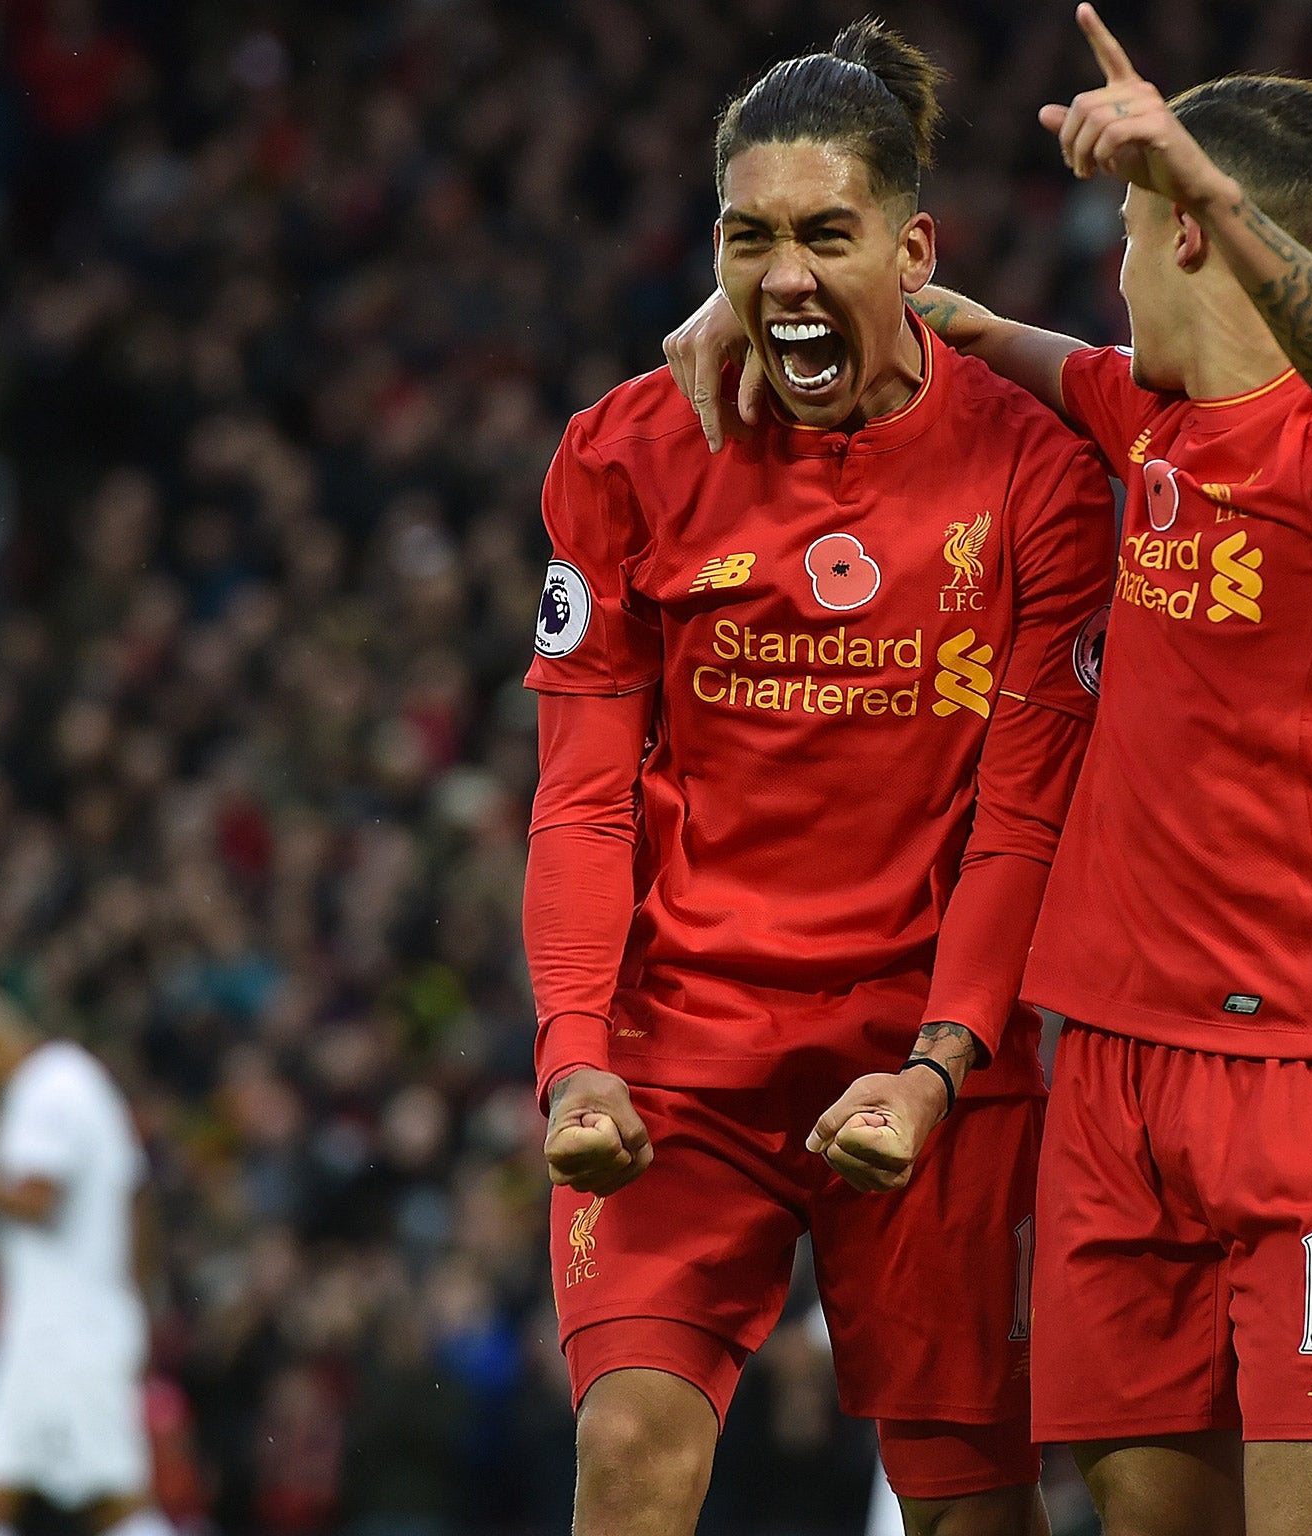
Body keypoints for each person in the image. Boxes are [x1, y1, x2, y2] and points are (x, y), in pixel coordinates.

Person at [668, 7, 1312, 1532]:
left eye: (1131, 229)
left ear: (1190, 241)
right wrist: (761, 306)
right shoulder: (1145, 422)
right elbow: (964, 334)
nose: (1112, 269)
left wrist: (1220, 196)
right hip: (1112, 1075)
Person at [523, 21, 1116, 1536]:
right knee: (631, 1455)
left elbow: (1021, 817)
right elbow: (584, 793)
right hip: (681, 1061)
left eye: (825, 236)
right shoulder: (626, 453)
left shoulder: (1035, 477)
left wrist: (938, 1066)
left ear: (915, 250)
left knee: (969, 1500)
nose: (784, 275)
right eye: (749, 238)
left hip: (921, 1053)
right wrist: (575, 1053)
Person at [0, 986, 169, 1536]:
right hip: (63, 1327)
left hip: (65, 1334)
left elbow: (38, 1201)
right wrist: (135, 1304)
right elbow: (139, 1201)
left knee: (115, 1503)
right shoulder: (79, 1077)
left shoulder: (42, 1088)